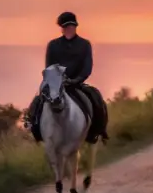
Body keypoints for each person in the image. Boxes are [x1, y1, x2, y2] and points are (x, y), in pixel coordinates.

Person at [24, 12, 109, 144]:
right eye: (66, 27)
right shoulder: (53, 45)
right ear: (62, 29)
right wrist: (57, 80)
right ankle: (34, 126)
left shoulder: (84, 44)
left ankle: (99, 130)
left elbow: (87, 67)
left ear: (75, 27)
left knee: (95, 96)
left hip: (76, 83)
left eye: (71, 26)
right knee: (39, 99)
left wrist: (75, 80)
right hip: (56, 83)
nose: (69, 29)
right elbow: (50, 66)